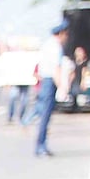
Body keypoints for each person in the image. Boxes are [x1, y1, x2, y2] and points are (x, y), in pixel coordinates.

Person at [35, 20, 69, 156]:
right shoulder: (56, 47)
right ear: (61, 33)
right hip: (50, 82)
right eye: (66, 34)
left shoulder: (47, 44)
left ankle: (41, 145)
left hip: (45, 81)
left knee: (44, 114)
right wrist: (61, 87)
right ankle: (41, 146)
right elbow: (56, 69)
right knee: (45, 116)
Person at [68, 46, 90, 111]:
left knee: (77, 92)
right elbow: (72, 72)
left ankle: (77, 106)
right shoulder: (74, 62)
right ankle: (74, 106)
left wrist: (83, 81)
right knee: (74, 92)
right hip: (75, 79)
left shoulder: (85, 63)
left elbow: (85, 72)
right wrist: (69, 81)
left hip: (80, 79)